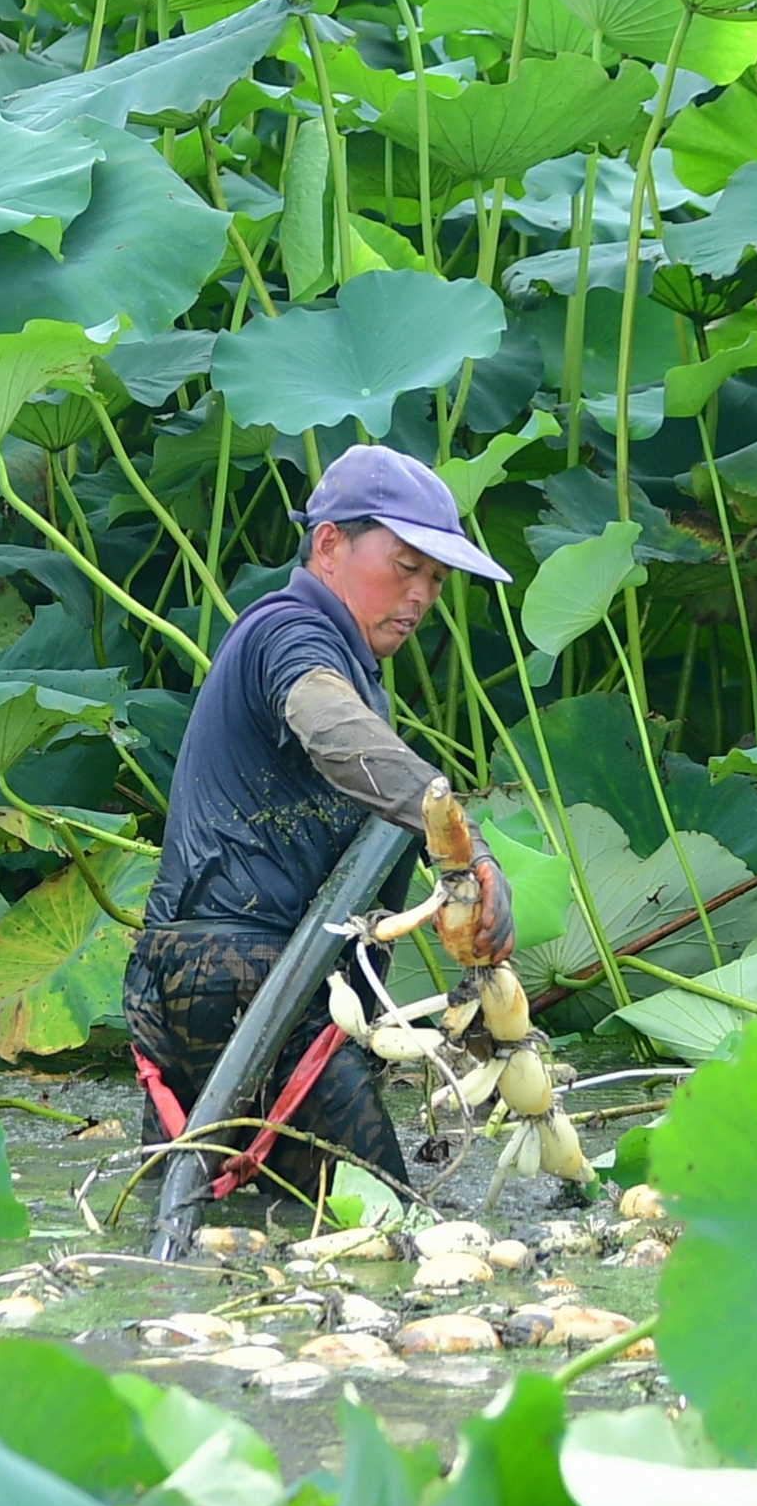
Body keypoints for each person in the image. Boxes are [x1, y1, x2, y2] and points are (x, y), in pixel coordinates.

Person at [127, 442, 507, 1207]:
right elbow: (330, 728)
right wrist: (463, 846)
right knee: (387, 1228)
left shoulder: (340, 654)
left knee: (199, 1219)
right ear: (329, 543)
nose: (424, 594)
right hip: (242, 972)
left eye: (436, 577)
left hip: (208, 974)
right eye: (405, 566)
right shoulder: (290, 630)